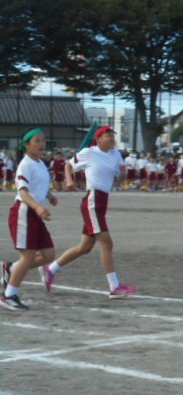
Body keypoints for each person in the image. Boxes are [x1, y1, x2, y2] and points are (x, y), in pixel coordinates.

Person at [39, 126, 137, 299]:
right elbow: (69, 165)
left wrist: (122, 174)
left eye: (112, 135)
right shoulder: (89, 152)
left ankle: (50, 269)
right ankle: (114, 287)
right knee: (107, 244)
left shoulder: (115, 154)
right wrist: (69, 180)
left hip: (102, 201)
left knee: (85, 247)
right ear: (98, 139)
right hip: (93, 201)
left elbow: (119, 178)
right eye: (108, 135)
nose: (111, 138)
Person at [1, 128, 58, 311]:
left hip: (34, 214)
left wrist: (49, 196)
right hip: (24, 212)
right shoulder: (25, 165)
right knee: (28, 256)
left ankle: (11, 268)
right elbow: (23, 192)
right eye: (37, 140)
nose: (42, 144)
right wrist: (38, 207)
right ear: (26, 145)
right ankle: (8, 295)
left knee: (49, 255)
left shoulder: (40, 163)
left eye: (43, 140)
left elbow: (38, 185)